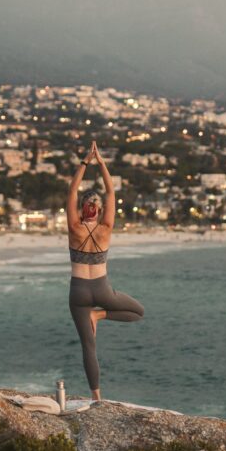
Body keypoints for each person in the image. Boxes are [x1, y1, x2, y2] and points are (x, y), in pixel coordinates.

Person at [67, 140, 144, 401]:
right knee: (138, 312)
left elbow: (72, 190)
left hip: (78, 291)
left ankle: (96, 397)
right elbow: (112, 193)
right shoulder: (106, 227)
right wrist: (101, 163)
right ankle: (100, 316)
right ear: (99, 211)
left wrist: (85, 162)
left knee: (88, 347)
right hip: (101, 288)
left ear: (82, 208)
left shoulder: (74, 228)